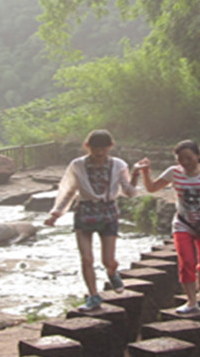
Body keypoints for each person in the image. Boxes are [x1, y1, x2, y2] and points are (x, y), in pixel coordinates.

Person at [45, 129, 141, 312]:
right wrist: (56, 213)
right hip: (84, 212)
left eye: (103, 149)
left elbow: (129, 192)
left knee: (108, 260)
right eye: (95, 148)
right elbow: (69, 190)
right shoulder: (78, 165)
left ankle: (113, 272)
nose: (99, 152)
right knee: (86, 258)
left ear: (110, 147)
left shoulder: (118, 165)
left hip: (108, 213)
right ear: (87, 147)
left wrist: (135, 175)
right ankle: (93, 296)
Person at [136, 139, 200, 314]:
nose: (185, 163)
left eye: (189, 158)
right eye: (180, 159)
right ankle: (191, 301)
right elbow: (151, 188)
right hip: (183, 223)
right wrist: (145, 172)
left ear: (198, 156)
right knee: (186, 261)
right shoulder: (174, 172)